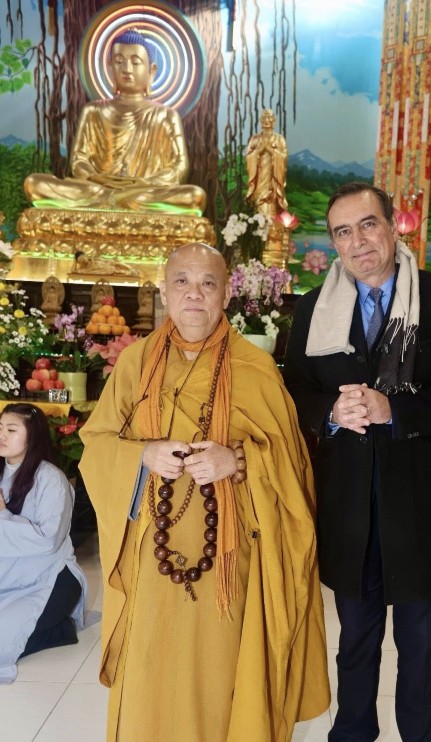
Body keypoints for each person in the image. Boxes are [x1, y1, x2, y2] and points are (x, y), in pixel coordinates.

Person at [79, 243, 330, 742]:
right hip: (152, 557)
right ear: (163, 292)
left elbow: (292, 466)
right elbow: (97, 442)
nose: (194, 294)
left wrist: (236, 461)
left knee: (219, 682)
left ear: (225, 295)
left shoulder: (255, 367)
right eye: (182, 281)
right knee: (148, 675)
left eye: (207, 283)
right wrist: (143, 455)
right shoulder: (135, 363)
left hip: (227, 561)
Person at [284, 182, 431, 742]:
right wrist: (330, 411)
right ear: (333, 243)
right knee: (355, 640)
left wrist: (394, 410)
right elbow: (294, 390)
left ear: (393, 225)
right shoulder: (314, 309)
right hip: (349, 505)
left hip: (422, 505)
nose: (357, 241)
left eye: (368, 224)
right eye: (342, 232)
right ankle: (352, 733)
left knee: (420, 644)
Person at [23, 29, 205, 213]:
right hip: (98, 188)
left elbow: (179, 166)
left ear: (151, 71)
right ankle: (116, 200)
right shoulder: (94, 110)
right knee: (34, 184)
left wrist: (145, 182)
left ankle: (115, 201)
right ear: (110, 67)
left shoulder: (165, 115)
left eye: (136, 62)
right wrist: (95, 177)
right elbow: (79, 160)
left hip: (143, 191)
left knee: (194, 197)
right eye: (119, 61)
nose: (127, 69)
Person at [0, 403, 87, 684]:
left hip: (51, 581)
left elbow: (48, 541)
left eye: (11, 429)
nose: (2, 435)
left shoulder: (51, 479)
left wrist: (3, 515)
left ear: (33, 436)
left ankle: (59, 629)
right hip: (8, 577)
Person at [245, 108, 288, 216]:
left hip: (272, 182)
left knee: (271, 207)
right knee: (258, 203)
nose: (266, 120)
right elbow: (249, 157)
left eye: (269, 117)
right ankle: (258, 222)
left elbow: (284, 158)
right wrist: (259, 150)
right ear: (260, 120)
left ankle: (271, 223)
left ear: (274, 120)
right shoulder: (254, 139)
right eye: (264, 118)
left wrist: (270, 150)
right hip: (259, 180)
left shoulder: (280, 139)